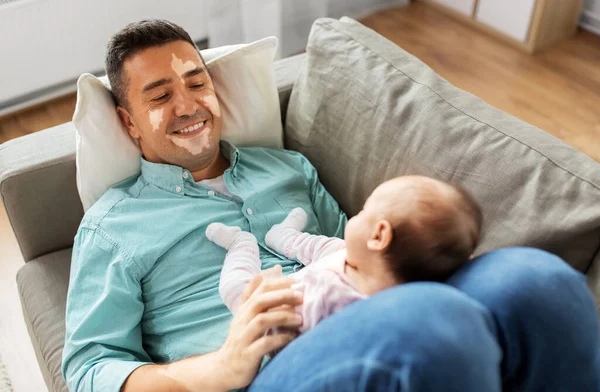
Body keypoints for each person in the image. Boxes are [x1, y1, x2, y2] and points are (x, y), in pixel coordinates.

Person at [62, 19, 600, 392]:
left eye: (196, 81)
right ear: (129, 122)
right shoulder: (114, 226)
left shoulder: (285, 167)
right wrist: (222, 367)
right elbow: (89, 370)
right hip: (260, 374)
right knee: (432, 325)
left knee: (536, 279)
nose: (187, 104)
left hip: (354, 317)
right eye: (158, 95)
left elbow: (355, 252)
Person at [207, 175, 482, 334]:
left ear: (378, 236)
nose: (358, 214)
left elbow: (276, 333)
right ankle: (282, 236)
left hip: (285, 299)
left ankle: (241, 245)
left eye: (364, 210)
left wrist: (264, 295)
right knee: (329, 247)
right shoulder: (369, 262)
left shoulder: (334, 302)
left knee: (235, 289)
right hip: (343, 264)